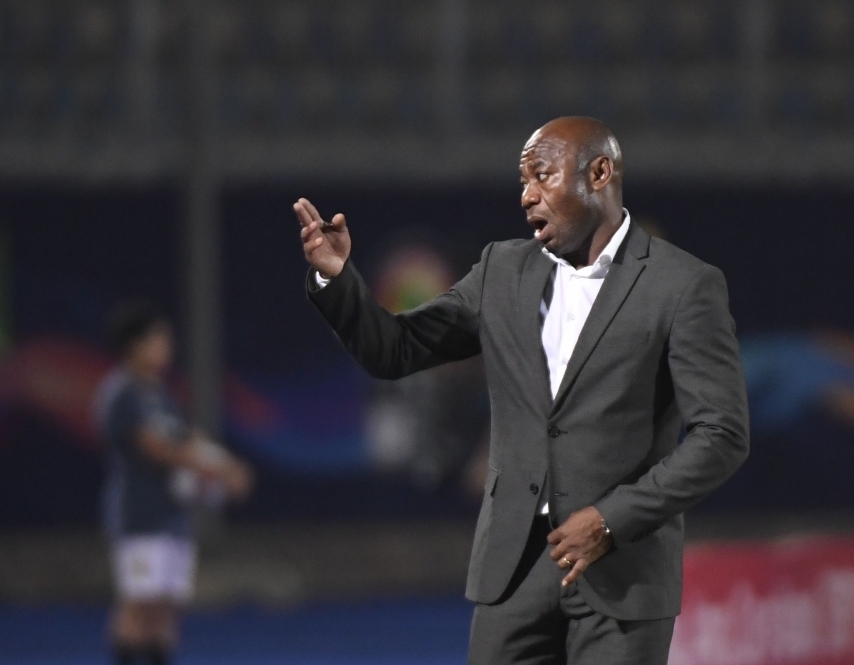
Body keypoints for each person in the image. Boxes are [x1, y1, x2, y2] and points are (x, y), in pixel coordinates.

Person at [294, 116, 749, 664]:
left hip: (622, 573)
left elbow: (721, 434)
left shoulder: (682, 285)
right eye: (522, 184)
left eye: (542, 177)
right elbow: (395, 349)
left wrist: (612, 519)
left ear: (600, 173)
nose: (528, 197)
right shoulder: (501, 271)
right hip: (513, 572)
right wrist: (336, 278)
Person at [94, 301, 254, 665]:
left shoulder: (159, 395)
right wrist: (215, 470)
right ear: (134, 345)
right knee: (139, 603)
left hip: (172, 514)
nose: (166, 346)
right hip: (139, 515)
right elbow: (157, 447)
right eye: (157, 339)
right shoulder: (121, 393)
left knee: (166, 605)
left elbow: (186, 439)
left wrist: (227, 464)